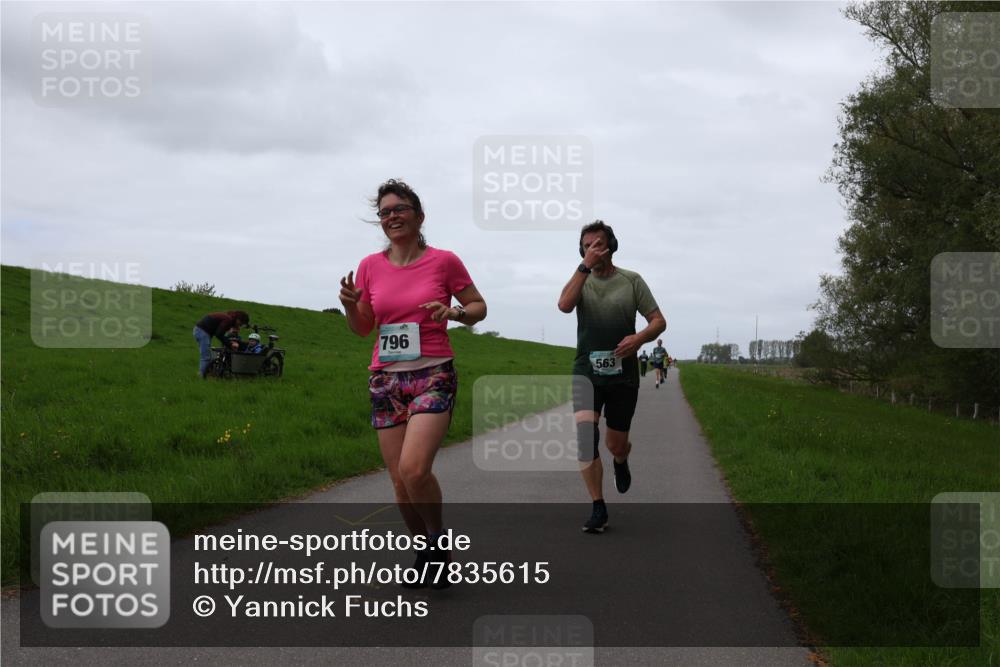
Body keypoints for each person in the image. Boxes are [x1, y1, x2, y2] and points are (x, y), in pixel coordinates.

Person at [340, 179, 487, 588]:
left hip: (433, 373)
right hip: (386, 379)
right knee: (400, 482)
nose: (392, 217)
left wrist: (453, 313)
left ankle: (438, 542)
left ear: (419, 216)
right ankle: (426, 552)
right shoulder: (370, 265)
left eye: (399, 209)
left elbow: (479, 307)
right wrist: (351, 307)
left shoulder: (444, 261)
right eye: (385, 212)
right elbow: (364, 327)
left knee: (414, 468)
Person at [558, 220, 666, 533]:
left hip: (623, 374)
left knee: (615, 444)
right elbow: (564, 305)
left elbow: (659, 321)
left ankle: (621, 461)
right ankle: (598, 507)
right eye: (587, 244)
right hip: (586, 370)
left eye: (599, 243)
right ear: (582, 250)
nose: (594, 248)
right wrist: (583, 268)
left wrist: (639, 339)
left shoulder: (632, 281)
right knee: (585, 439)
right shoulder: (580, 280)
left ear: (612, 246)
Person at [193, 310, 249, 378]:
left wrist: (228, 343)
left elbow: (220, 334)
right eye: (241, 323)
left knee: (206, 356)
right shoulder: (228, 320)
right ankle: (202, 376)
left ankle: (205, 374)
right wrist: (230, 344)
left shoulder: (228, 318)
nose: (241, 325)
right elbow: (219, 334)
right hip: (202, 332)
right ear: (238, 319)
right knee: (206, 357)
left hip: (201, 331)